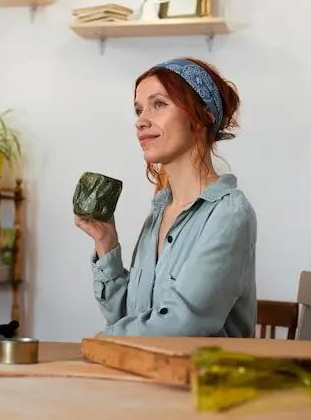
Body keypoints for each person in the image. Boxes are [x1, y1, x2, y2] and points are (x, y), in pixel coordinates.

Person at [75, 57, 257, 337]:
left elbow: (181, 324)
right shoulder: (160, 213)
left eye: (159, 104)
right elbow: (131, 318)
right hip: (147, 363)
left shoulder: (229, 214)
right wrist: (105, 242)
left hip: (197, 367)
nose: (141, 121)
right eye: (139, 110)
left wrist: (103, 341)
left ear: (204, 115)